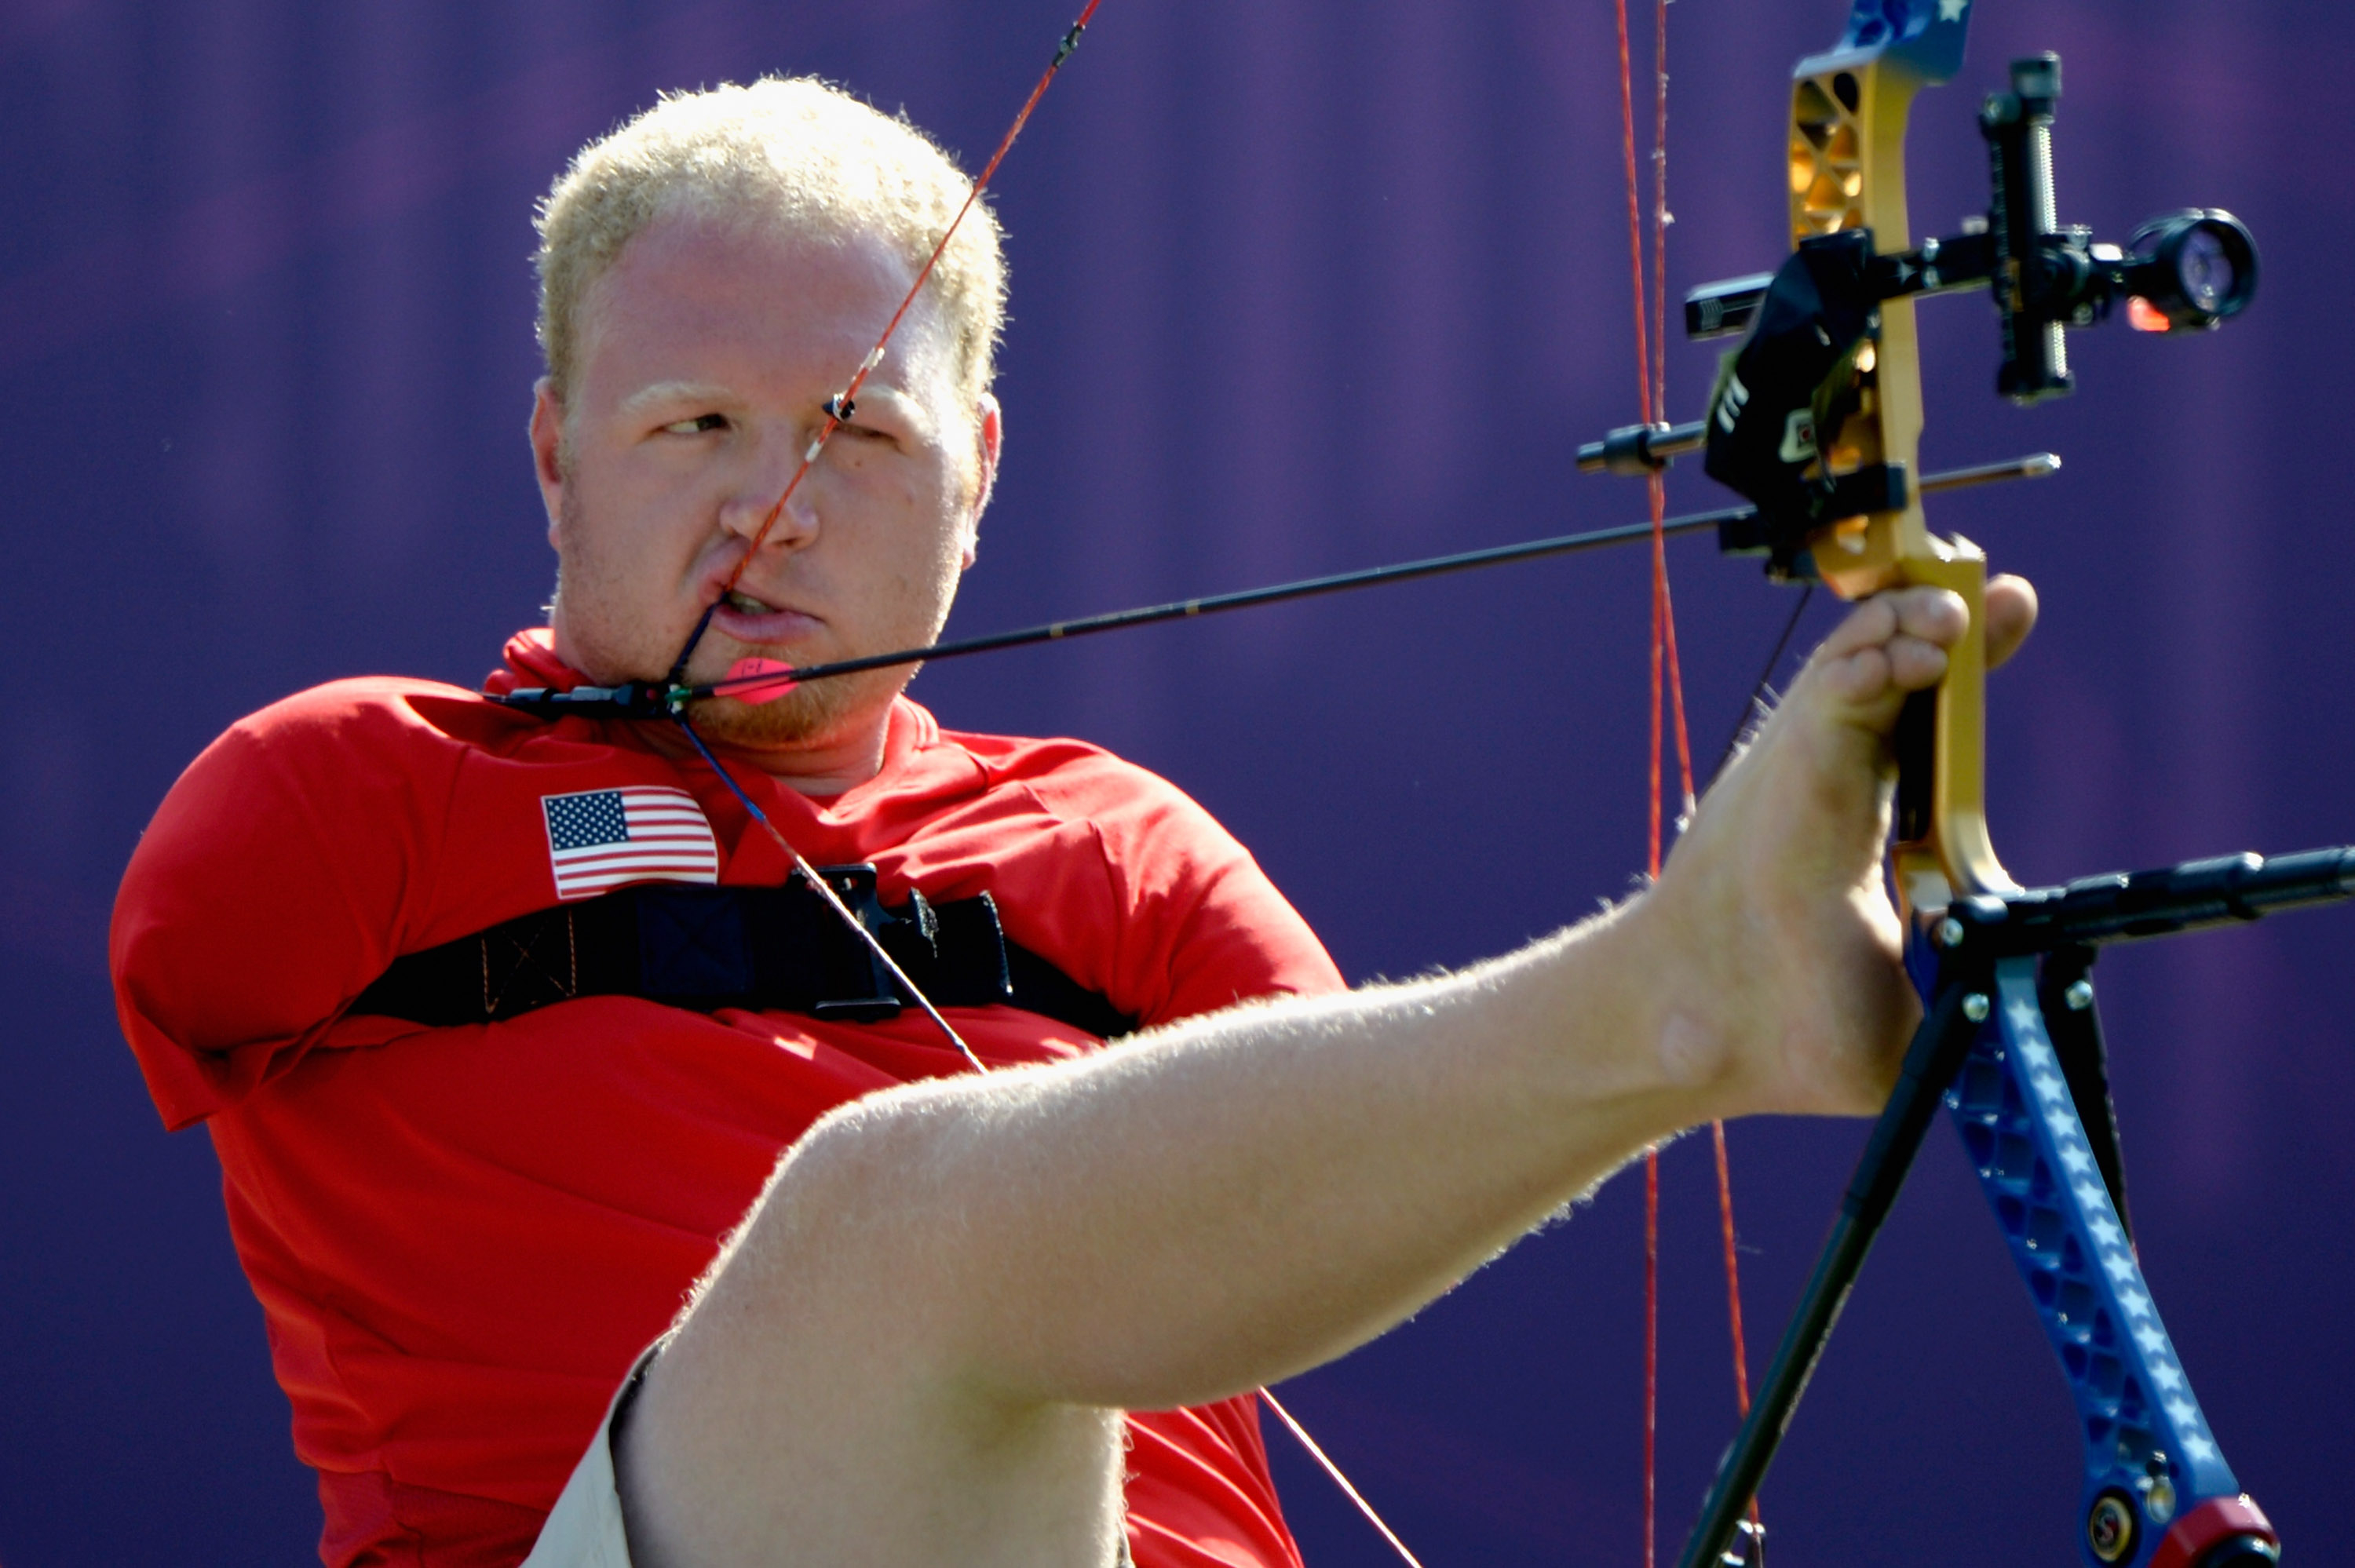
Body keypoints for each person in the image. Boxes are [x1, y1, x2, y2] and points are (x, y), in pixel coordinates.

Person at [109, 76, 2035, 1568]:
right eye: (692, 425)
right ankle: (1691, 994)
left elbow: (1331, 1189)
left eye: (859, 437)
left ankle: (1698, 986)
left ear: (981, 481)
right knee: (875, 1217)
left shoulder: (1115, 844)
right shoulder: (347, 792)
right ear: (552, 451)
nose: (773, 508)